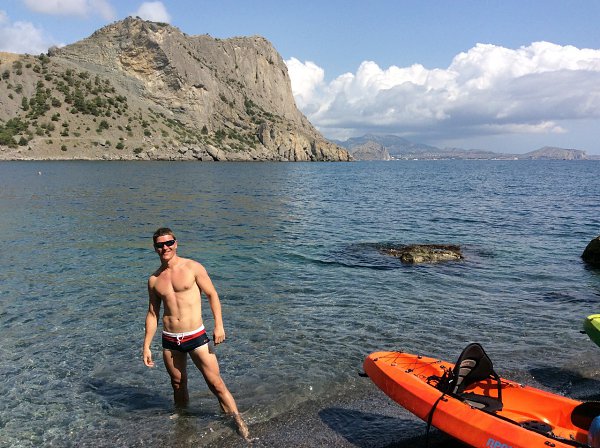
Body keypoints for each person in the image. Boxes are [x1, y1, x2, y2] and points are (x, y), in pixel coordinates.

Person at [142, 227, 249, 440]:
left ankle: (240, 424)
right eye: (160, 245)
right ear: (155, 248)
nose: (165, 247)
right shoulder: (154, 279)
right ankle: (184, 425)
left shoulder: (193, 267)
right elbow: (153, 314)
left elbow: (212, 294)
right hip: (170, 339)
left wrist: (219, 325)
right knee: (177, 384)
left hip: (196, 336)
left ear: (176, 243)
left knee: (215, 383)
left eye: (169, 243)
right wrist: (146, 345)